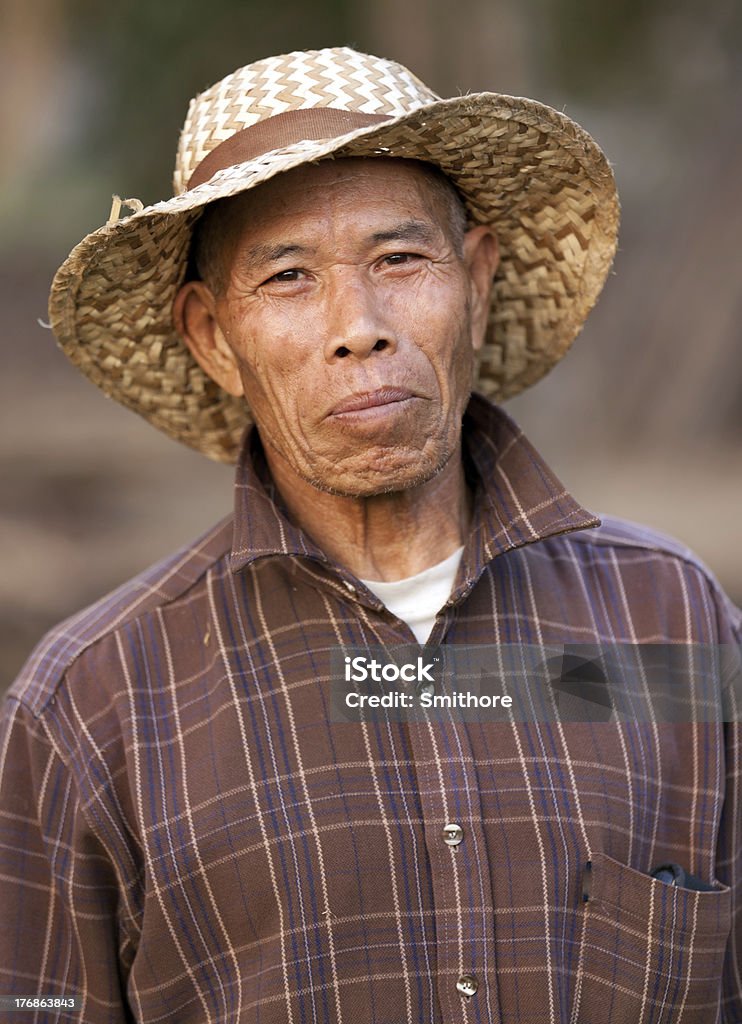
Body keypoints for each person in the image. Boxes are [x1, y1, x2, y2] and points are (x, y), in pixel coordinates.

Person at [1, 46, 740, 1024]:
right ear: (212, 337)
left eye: (399, 259)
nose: (359, 325)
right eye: (289, 276)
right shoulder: (90, 706)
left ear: (475, 281)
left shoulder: (672, 621)